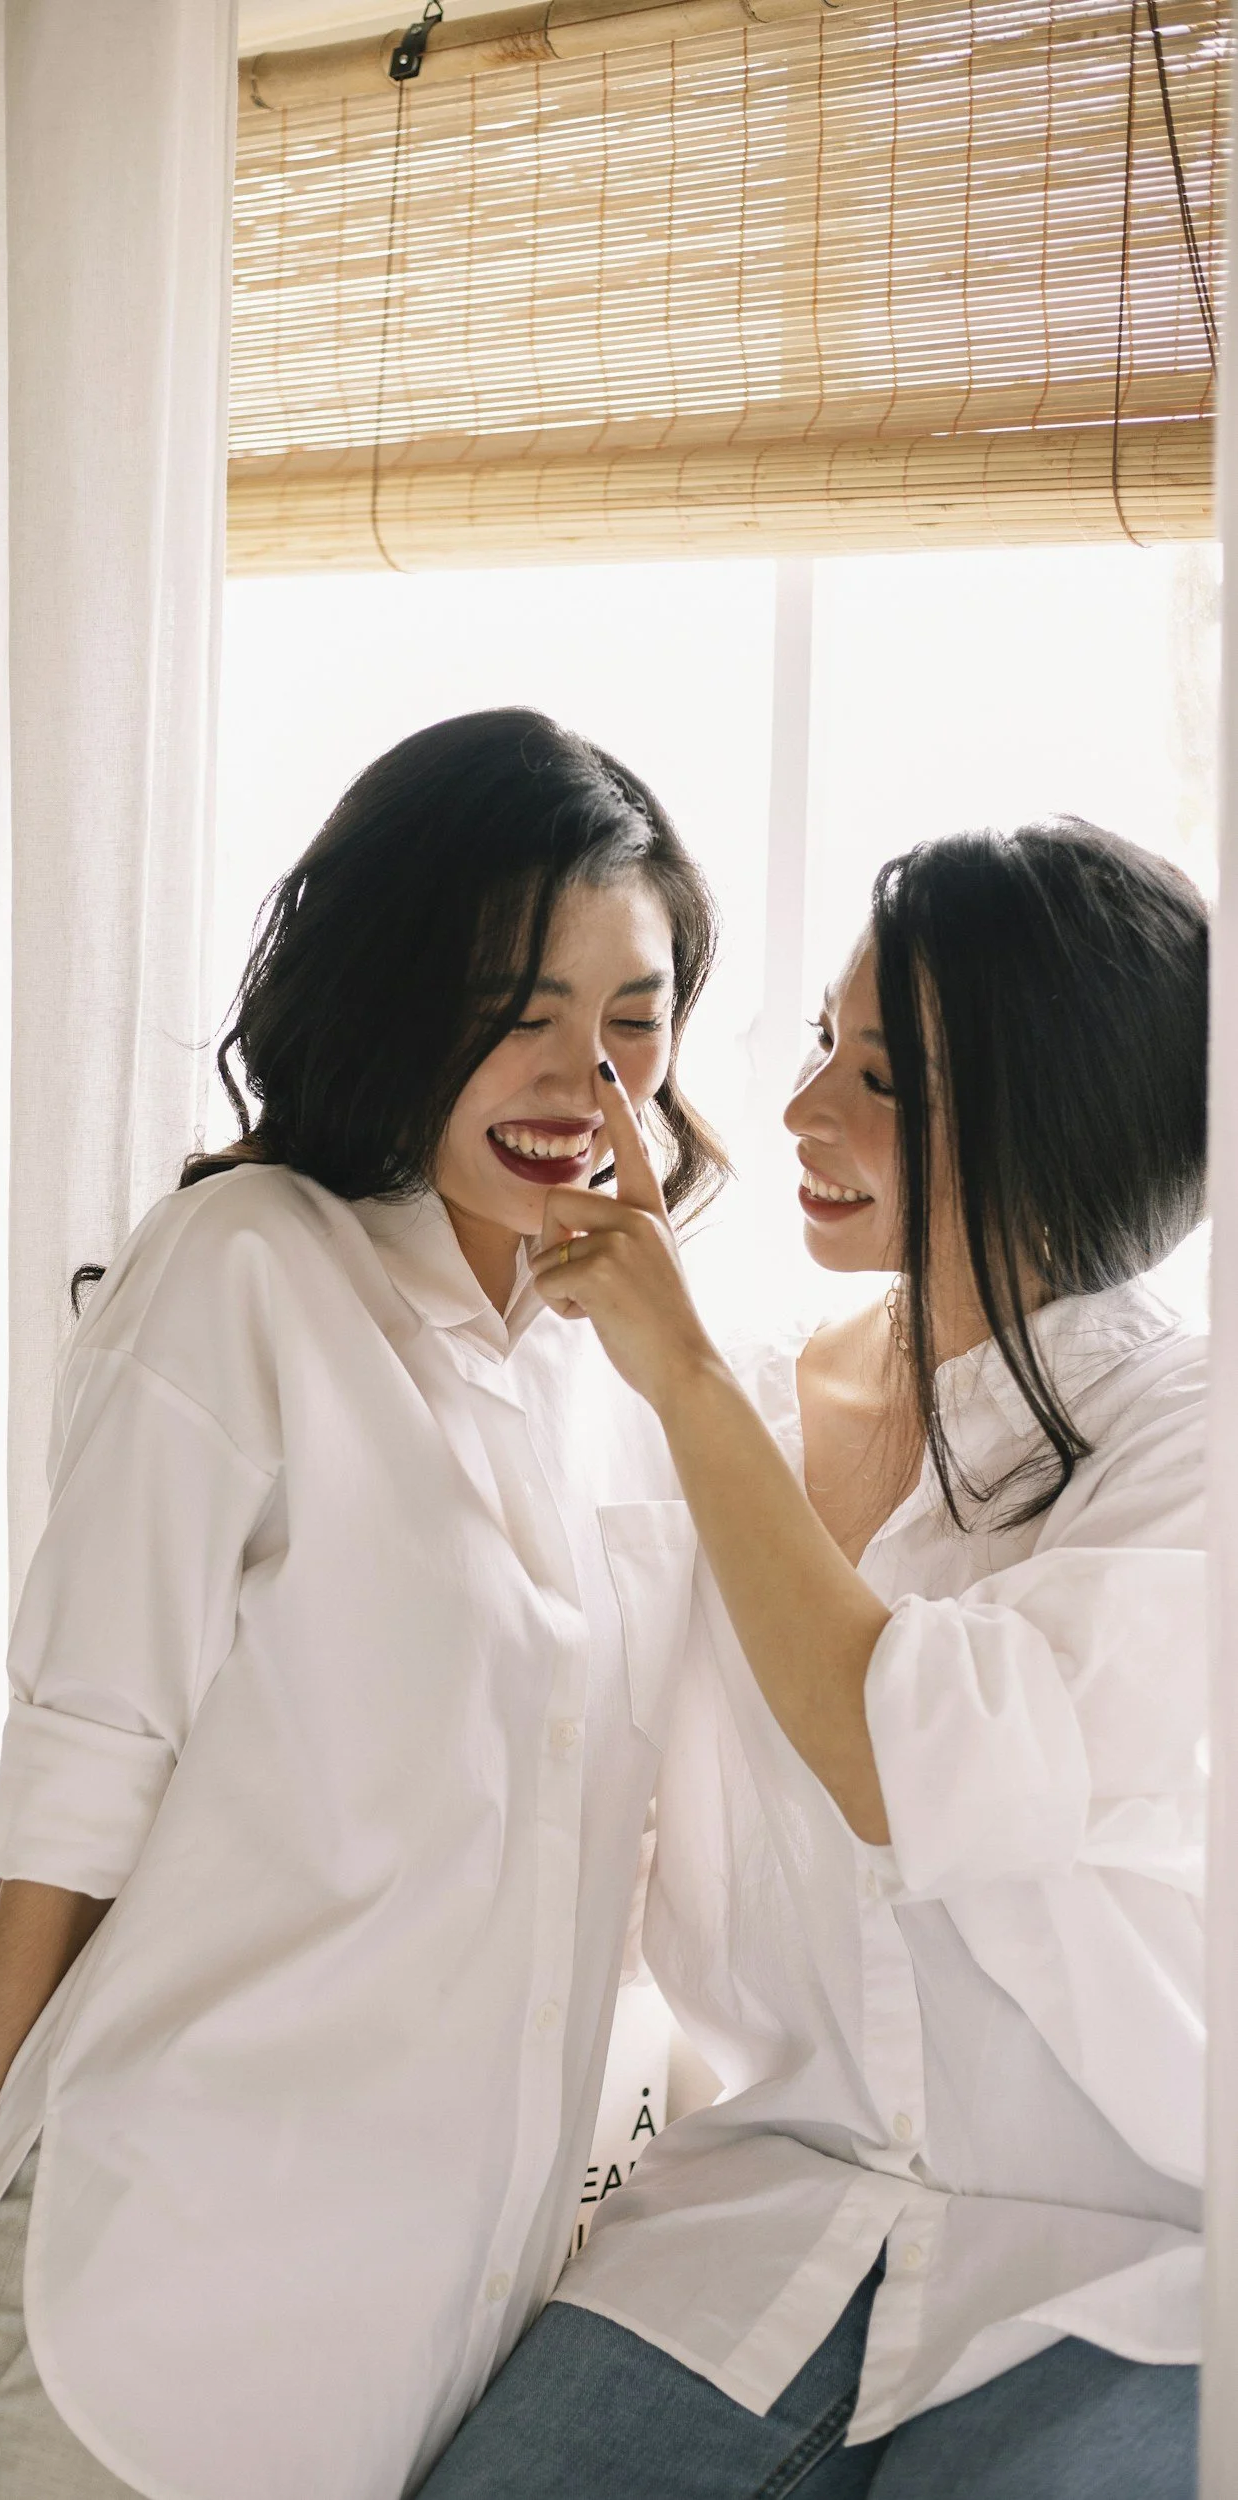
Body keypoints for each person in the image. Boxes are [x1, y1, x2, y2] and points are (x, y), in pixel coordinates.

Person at [0, 709, 727, 2500]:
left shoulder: (628, 1376)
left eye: (629, 1022)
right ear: (393, 993)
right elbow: (55, 1870)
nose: (575, 1083)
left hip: (421, 2390)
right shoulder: (243, 1278)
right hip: (130, 2359)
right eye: (513, 1008)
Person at [418, 820, 1208, 2499]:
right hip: (754, 2220)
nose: (798, 1118)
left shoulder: (1186, 1443)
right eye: (819, 1048)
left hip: (1125, 2267)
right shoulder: (750, 1397)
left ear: (1061, 1120)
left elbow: (914, 1764)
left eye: (886, 1080)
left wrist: (679, 1381)